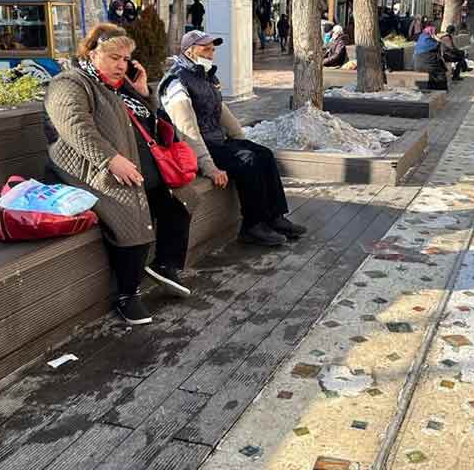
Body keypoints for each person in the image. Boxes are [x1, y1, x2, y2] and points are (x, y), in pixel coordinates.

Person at [44, 23, 197, 325]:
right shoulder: (70, 83)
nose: (121, 65)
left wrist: (143, 95)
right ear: (90, 53)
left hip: (134, 168)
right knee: (130, 212)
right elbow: (74, 125)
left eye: (125, 59)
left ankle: (166, 265)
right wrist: (111, 159)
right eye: (114, 57)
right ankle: (127, 294)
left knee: (180, 200)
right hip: (87, 169)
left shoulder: (120, 87)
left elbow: (151, 124)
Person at [159, 30, 307, 247]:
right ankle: (252, 226)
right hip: (196, 148)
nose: (211, 54)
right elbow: (187, 129)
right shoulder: (175, 81)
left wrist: (241, 139)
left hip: (215, 141)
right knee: (247, 160)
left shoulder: (205, 75)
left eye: (212, 50)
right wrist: (209, 167)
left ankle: (275, 217)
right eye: (205, 49)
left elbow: (221, 111)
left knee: (263, 154)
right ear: (189, 52)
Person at [414, 26, 447, 90]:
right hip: (429, 65)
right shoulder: (430, 41)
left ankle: (432, 88)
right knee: (440, 74)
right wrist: (437, 39)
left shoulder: (421, 38)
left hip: (417, 66)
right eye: (435, 32)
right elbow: (442, 48)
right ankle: (441, 92)